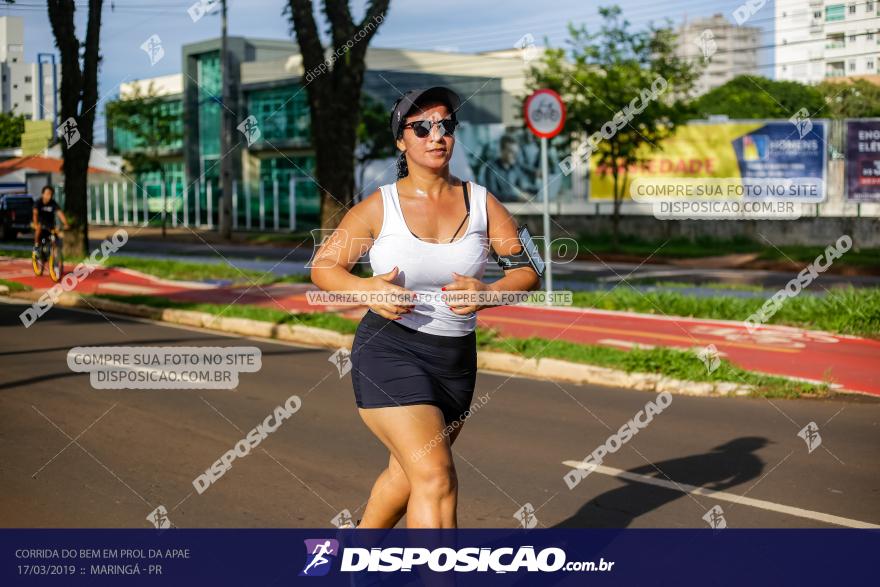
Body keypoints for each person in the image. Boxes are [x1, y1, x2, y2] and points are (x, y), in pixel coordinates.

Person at [310, 86, 540, 529]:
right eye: (422, 127)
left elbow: (528, 270)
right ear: (402, 140)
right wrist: (367, 290)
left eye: (446, 126)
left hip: (455, 362)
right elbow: (325, 267)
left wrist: (488, 293)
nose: (437, 136)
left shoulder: (482, 202)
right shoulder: (381, 207)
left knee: (406, 476)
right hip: (389, 352)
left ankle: (358, 564)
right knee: (435, 476)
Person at [32, 185, 69, 251]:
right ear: (43, 194)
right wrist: (35, 224)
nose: (49, 196)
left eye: (51, 194)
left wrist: (66, 223)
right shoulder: (38, 202)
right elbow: (35, 214)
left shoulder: (53, 203)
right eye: (47, 194)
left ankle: (55, 257)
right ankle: (36, 248)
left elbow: (60, 214)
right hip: (40, 224)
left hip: (50, 225)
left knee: (55, 239)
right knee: (38, 230)